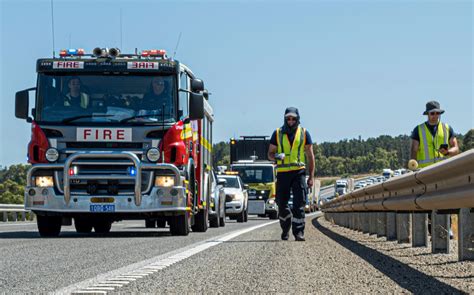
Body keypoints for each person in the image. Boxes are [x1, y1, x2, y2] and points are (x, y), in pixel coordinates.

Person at [267, 107, 315, 241]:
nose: (291, 121)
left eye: (293, 118)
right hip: (282, 173)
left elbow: (311, 157)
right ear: (285, 118)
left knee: (299, 203)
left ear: (297, 118)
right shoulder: (277, 133)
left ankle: (299, 232)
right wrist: (276, 156)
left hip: (298, 172)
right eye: (288, 118)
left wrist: (311, 177)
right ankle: (285, 226)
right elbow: (269, 154)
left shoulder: (304, 133)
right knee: (281, 204)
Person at [410, 101, 459, 168]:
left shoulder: (447, 128)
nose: (435, 115)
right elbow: (414, 151)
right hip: (424, 171)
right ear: (427, 114)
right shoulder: (418, 130)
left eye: (438, 113)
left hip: (443, 169)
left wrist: (448, 152)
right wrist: (413, 167)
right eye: (432, 113)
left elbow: (456, 148)